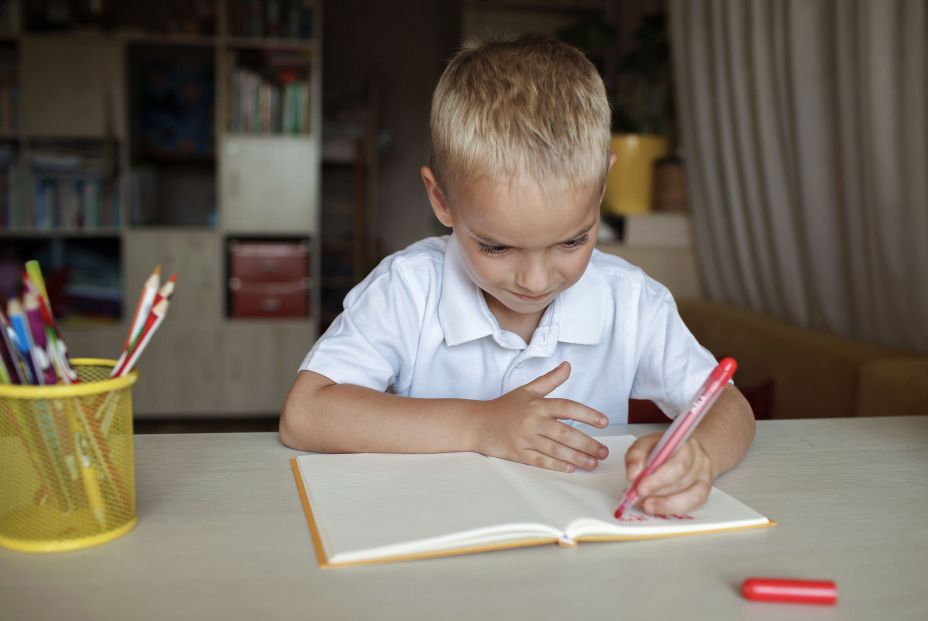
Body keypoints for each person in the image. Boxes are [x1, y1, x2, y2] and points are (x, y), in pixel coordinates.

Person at [280, 35, 755, 515]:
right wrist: (480, 425)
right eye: (496, 246)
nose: (535, 279)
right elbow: (306, 414)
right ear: (442, 199)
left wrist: (699, 458)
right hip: (438, 543)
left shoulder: (629, 301)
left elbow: (728, 407)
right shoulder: (408, 289)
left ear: (601, 186)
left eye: (572, 241)